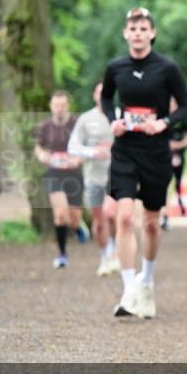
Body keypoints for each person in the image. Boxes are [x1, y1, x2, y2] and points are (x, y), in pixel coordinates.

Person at [102, 7, 187, 319]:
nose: (138, 33)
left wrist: (163, 122)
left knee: (151, 222)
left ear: (152, 33)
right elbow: (106, 98)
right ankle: (129, 289)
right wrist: (113, 118)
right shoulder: (115, 67)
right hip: (125, 149)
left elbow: (186, 107)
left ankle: (147, 281)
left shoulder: (167, 68)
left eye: (143, 28)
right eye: (133, 28)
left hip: (155, 151)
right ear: (125, 34)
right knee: (124, 217)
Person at [67, 81, 119, 276]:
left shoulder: (120, 116)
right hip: (94, 176)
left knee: (112, 214)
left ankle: (115, 252)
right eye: (100, 92)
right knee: (99, 219)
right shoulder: (86, 119)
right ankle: (105, 256)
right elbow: (73, 147)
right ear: (94, 96)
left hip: (117, 176)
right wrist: (92, 152)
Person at [34, 91, 85, 269]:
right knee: (60, 214)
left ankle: (78, 227)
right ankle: (62, 255)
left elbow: (87, 146)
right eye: (56, 106)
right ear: (51, 107)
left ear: (68, 106)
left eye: (63, 106)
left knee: (74, 218)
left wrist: (79, 158)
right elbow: (39, 147)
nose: (60, 109)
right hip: (54, 173)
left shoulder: (77, 124)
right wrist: (42, 156)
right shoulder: (46, 126)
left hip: (74, 173)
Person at [161, 98, 187, 231]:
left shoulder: (182, 120)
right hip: (163, 157)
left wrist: (179, 145)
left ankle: (181, 205)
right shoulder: (161, 118)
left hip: (179, 157)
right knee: (164, 184)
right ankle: (164, 215)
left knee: (178, 183)